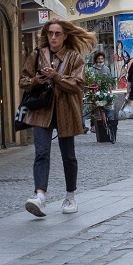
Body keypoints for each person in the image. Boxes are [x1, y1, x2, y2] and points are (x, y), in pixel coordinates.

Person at [21, 19, 94, 217]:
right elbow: (23, 80)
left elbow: (78, 84)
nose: (53, 37)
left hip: (65, 111)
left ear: (65, 36)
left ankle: (70, 196)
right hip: (42, 111)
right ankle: (40, 196)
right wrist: (35, 80)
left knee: (68, 156)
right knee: (41, 152)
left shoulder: (74, 57)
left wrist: (56, 76)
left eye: (57, 34)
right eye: (50, 33)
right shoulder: (37, 54)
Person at [85, 51, 117, 142]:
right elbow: (89, 81)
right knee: (96, 110)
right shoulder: (92, 69)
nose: (100, 60)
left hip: (105, 93)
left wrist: (110, 92)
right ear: (95, 60)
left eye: (102, 59)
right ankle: (95, 125)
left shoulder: (106, 69)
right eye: (98, 59)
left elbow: (110, 81)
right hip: (95, 93)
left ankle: (109, 125)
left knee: (108, 109)